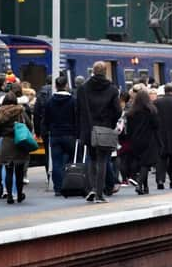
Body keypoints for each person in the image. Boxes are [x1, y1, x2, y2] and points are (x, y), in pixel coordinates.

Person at [77, 61, 122, 203]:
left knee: (91, 159)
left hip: (88, 129)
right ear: (105, 72)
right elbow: (118, 111)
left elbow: (78, 110)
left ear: (93, 71)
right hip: (105, 128)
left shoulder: (83, 88)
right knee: (103, 160)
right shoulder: (112, 89)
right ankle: (99, 193)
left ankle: (91, 189)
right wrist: (111, 123)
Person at [0, 92, 33, 204]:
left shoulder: (1, 111)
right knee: (19, 171)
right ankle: (19, 195)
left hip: (6, 142)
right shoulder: (20, 110)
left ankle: (9, 196)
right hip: (20, 142)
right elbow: (29, 124)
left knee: (9, 170)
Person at [44, 75, 78, 196]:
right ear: (66, 86)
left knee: (56, 162)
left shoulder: (49, 102)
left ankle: (58, 188)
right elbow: (77, 118)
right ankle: (70, 184)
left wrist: (47, 131)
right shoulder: (73, 101)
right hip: (70, 135)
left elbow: (46, 119)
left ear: (56, 86)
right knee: (71, 160)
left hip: (55, 135)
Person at [126, 90, 160, 195]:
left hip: (135, 140)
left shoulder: (131, 113)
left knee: (141, 163)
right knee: (146, 163)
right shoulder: (151, 110)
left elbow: (129, 129)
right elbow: (156, 125)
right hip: (149, 139)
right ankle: (139, 184)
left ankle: (145, 187)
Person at [33, 75, 53, 181]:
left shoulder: (41, 94)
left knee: (47, 153)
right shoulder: (58, 91)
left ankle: (48, 175)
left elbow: (36, 113)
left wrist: (37, 131)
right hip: (57, 128)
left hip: (44, 127)